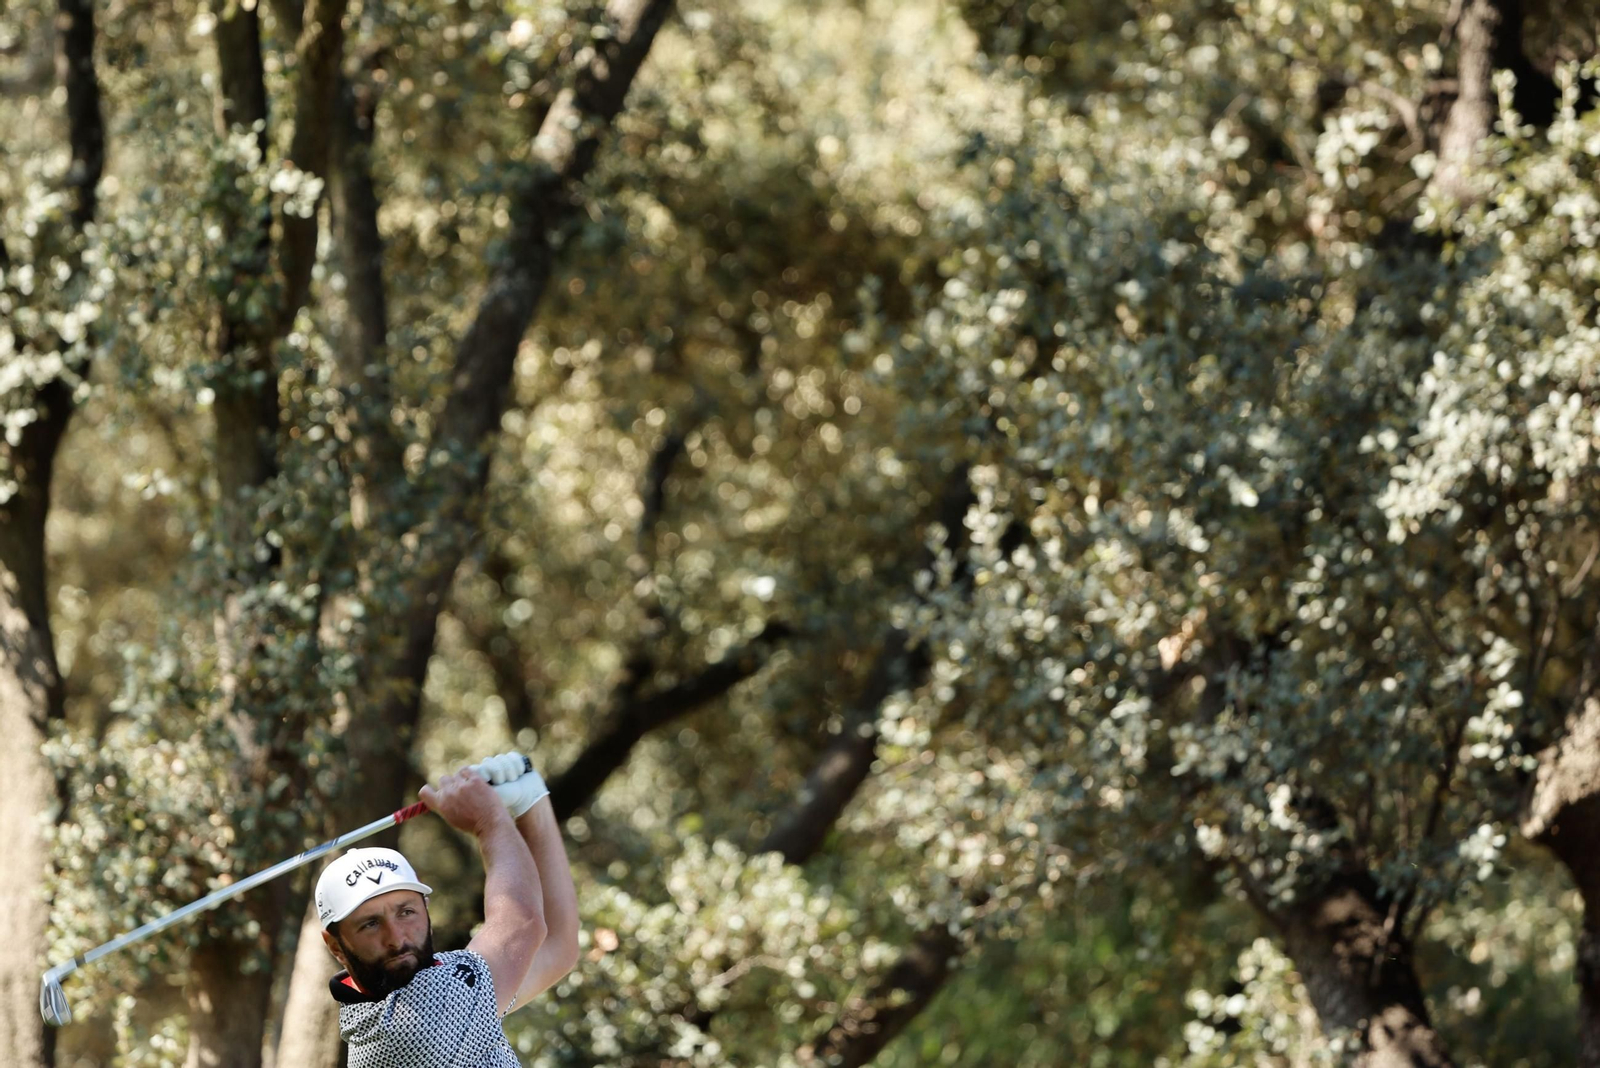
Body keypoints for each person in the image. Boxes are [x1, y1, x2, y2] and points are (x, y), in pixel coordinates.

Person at [313, 751, 580, 1067]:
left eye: (406, 912)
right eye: (370, 924)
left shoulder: (432, 988)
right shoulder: (408, 1028)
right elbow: (523, 923)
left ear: (426, 908)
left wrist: (532, 801)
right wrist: (489, 820)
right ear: (335, 946)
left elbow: (557, 946)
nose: (396, 938)